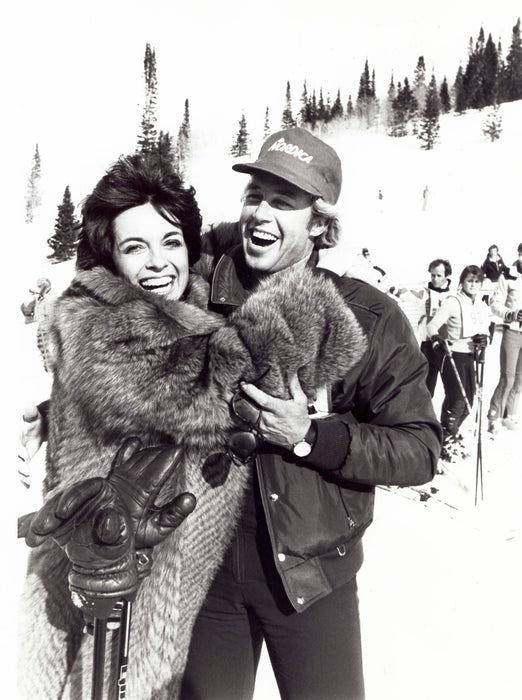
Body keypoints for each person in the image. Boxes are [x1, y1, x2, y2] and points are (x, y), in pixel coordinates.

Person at [21, 129, 441, 700]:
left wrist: (310, 436)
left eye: (284, 202)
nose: (261, 213)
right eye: (254, 194)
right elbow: (128, 353)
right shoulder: (199, 285)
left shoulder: (367, 316)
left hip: (310, 578)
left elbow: (419, 449)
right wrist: (61, 408)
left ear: (320, 223)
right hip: (205, 575)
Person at [427, 265, 490, 461]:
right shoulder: (453, 301)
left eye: (477, 281)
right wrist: (437, 339)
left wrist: (484, 339)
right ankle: (444, 440)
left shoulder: (480, 305)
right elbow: (432, 325)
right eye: (469, 281)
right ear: (462, 282)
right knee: (457, 401)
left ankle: (448, 434)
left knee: (468, 403)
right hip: (453, 355)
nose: (473, 285)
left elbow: (486, 329)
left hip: (471, 357)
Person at [486, 242, 522, 434]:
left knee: (519, 380)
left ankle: (510, 416)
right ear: (519, 254)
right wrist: (511, 314)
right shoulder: (507, 275)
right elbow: (495, 304)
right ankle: (494, 417)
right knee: (507, 378)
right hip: (513, 331)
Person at [416, 259, 453, 396]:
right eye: (433, 275)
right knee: (426, 388)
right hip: (428, 345)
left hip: (447, 345)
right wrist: (393, 289)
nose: (435, 279)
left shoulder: (453, 295)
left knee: (451, 389)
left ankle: (447, 417)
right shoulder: (425, 292)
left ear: (447, 276)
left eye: (439, 275)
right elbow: (407, 294)